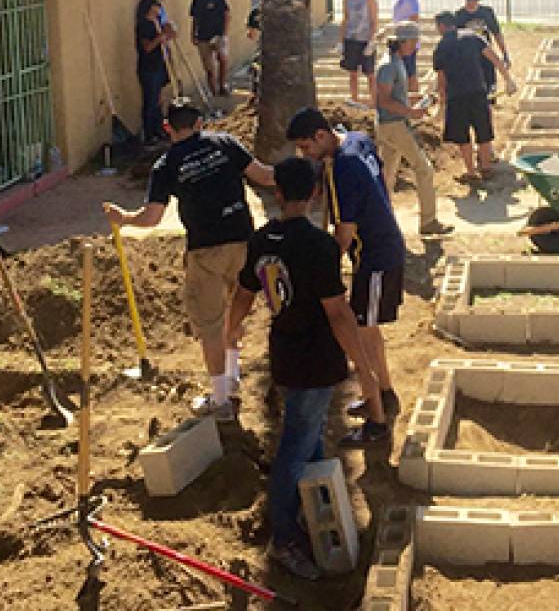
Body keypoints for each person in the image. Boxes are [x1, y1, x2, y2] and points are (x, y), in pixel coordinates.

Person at [224, 156, 387, 580]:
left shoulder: (262, 240)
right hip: (317, 359)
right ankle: (285, 539)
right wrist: (364, 368)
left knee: (310, 437)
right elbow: (337, 314)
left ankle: (313, 513)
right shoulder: (318, 246)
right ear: (315, 194)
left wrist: (230, 331)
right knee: (296, 446)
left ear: (277, 193)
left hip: (284, 352)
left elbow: (243, 293)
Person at [103, 99, 276, 422]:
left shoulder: (166, 165)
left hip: (205, 251)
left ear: (168, 128)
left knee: (211, 324)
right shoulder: (225, 143)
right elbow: (265, 177)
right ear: (199, 124)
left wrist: (123, 218)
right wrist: (304, 175)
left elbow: (152, 217)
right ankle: (233, 373)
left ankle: (221, 399)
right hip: (243, 242)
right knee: (233, 309)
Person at [285, 106, 400, 446]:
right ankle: (384, 391)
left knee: (359, 334)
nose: (306, 155)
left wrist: (321, 271)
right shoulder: (358, 140)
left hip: (374, 255)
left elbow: (344, 234)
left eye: (307, 147)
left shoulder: (342, 169)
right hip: (383, 245)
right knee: (367, 327)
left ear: (321, 136)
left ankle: (378, 423)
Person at [374, 22, 451, 236]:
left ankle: (381, 221)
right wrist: (411, 112)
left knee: (386, 175)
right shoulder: (389, 66)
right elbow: (383, 101)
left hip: (392, 124)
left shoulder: (396, 62)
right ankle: (428, 222)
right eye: (414, 42)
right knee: (423, 169)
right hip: (394, 125)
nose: (416, 47)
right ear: (403, 42)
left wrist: (418, 100)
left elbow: (395, 96)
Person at [432, 11, 516, 184]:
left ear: (441, 26)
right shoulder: (473, 38)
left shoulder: (441, 47)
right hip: (478, 92)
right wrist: (508, 79)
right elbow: (494, 58)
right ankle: (486, 168)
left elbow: (442, 80)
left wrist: (442, 103)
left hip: (456, 96)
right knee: (483, 130)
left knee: (463, 136)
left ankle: (471, 172)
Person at [136, 0, 176, 144]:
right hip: (149, 67)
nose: (159, 8)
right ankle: (149, 134)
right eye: (156, 6)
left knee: (159, 99)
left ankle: (159, 130)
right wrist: (159, 38)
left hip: (160, 64)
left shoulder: (157, 22)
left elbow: (168, 35)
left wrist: (168, 34)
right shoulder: (144, 25)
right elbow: (146, 47)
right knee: (150, 100)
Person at [452, 0, 508, 95]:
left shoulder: (487, 12)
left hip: (487, 55)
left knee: (490, 87)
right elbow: (455, 39)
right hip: (468, 57)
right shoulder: (459, 16)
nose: (473, 2)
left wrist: (505, 53)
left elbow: (497, 34)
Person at [338, 0, 379, 104]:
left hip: (366, 40)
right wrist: (341, 41)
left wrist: (372, 41)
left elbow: (374, 21)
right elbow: (345, 20)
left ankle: (374, 101)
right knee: (353, 73)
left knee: (370, 74)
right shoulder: (346, 0)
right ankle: (355, 99)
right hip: (351, 40)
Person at [189, 0, 231, 97]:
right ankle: (214, 92)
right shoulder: (196, 1)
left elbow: (227, 14)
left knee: (223, 58)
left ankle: (222, 84)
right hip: (203, 37)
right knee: (209, 68)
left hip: (218, 34)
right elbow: (194, 19)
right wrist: (193, 34)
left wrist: (225, 33)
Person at [388, 0, 422, 94]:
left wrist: (411, 41)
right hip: (401, 41)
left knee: (410, 73)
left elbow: (414, 20)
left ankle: (415, 98)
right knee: (405, 72)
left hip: (408, 41)